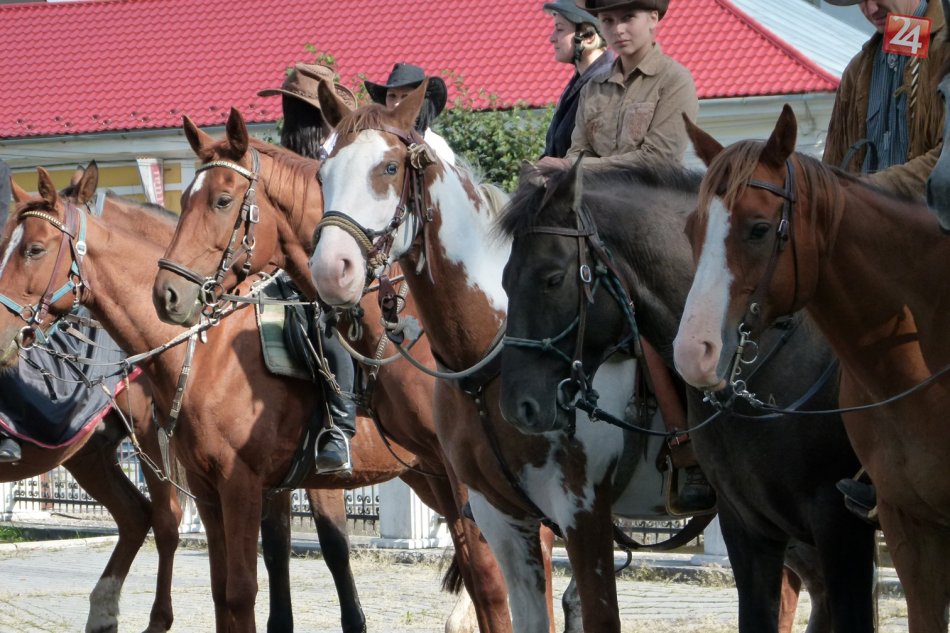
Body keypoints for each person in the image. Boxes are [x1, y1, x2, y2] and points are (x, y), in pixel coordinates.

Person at [822, 0, 948, 521]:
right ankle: (871, 462)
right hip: (876, 247)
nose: (871, 7)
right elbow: (836, 161)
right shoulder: (863, 66)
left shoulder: (943, 48)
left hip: (938, 234)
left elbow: (944, 157)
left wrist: (870, 195)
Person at [259, 63, 360, 473]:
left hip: (342, 270)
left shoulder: (338, 158)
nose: (288, 118)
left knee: (324, 326)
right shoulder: (287, 160)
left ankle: (340, 429)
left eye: (295, 110)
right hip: (289, 271)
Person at [823, 0, 948, 201]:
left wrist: (870, 189)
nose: (871, 9)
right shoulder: (857, 71)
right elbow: (832, 168)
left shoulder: (944, 55)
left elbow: (946, 163)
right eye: (860, 0)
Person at [540, 0, 614, 158]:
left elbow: (602, 160)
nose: (552, 38)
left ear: (588, 36)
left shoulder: (605, 86)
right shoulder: (578, 84)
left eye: (560, 29)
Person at [364, 63, 456, 165]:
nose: (397, 103)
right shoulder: (372, 142)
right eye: (392, 96)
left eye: (405, 97)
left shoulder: (438, 147)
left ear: (421, 101)